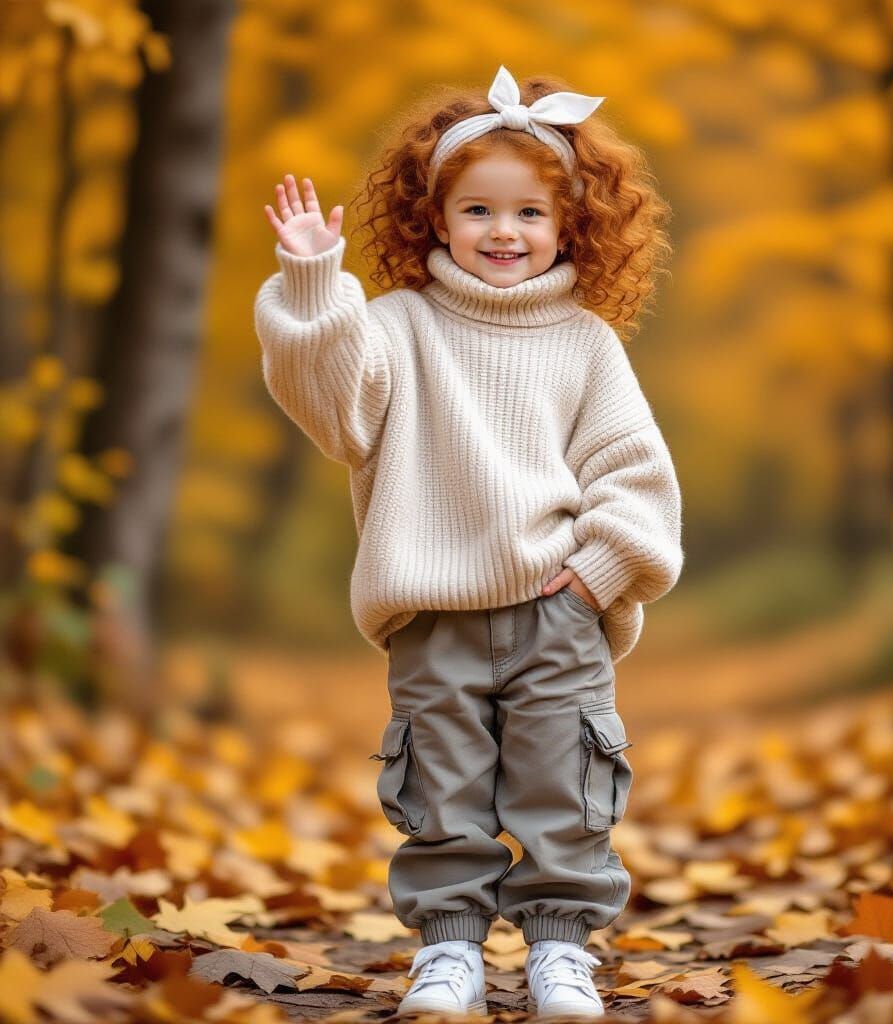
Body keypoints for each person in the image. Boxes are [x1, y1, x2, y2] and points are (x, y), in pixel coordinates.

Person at [255, 64, 684, 1018]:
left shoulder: (584, 343)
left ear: (571, 224)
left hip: (558, 614)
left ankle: (558, 953)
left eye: (530, 213)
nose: (503, 232)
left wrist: (596, 575)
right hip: (434, 615)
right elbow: (335, 409)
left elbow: (635, 472)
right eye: (478, 210)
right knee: (441, 787)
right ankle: (447, 952)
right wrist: (314, 282)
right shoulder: (397, 327)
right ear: (434, 219)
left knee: (565, 783)